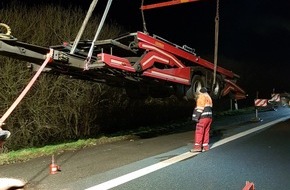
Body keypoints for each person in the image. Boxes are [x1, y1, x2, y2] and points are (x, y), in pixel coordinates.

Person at [191, 87, 213, 152]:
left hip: (202, 118)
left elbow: (200, 108)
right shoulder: (208, 97)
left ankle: (197, 147)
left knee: (199, 132)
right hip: (209, 117)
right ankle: (205, 146)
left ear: (200, 92)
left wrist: (196, 117)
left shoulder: (201, 97)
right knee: (206, 131)